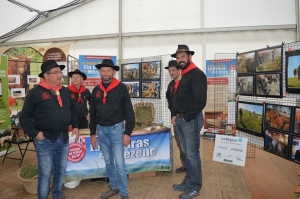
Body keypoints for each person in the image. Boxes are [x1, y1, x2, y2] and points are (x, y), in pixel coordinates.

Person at [20, 60, 79, 199]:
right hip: (45, 140)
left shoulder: (64, 91)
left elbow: (72, 110)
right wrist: (35, 134)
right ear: (46, 75)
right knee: (45, 173)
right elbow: (24, 118)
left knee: (60, 170)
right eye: (56, 73)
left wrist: (75, 125)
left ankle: (57, 194)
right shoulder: (35, 93)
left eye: (60, 72)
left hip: (63, 137)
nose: (60, 75)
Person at [89, 59, 135, 199]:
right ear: (100, 72)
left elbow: (129, 112)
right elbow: (93, 114)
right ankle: (113, 187)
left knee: (120, 163)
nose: (105, 73)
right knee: (108, 162)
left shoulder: (121, 88)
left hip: (116, 129)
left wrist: (127, 133)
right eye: (102, 70)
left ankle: (124, 193)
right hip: (101, 130)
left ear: (114, 72)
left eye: (108, 70)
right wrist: (92, 134)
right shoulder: (96, 90)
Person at [171, 45, 207, 199]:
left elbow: (200, 101)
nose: (180, 60)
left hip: (189, 119)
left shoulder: (197, 74)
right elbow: (179, 98)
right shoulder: (183, 75)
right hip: (180, 119)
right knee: (187, 153)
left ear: (189, 56)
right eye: (178, 58)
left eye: (183, 57)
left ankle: (195, 187)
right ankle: (188, 181)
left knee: (192, 154)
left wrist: (186, 116)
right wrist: (175, 114)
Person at [165, 60, 186, 173]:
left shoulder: (185, 83)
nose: (171, 72)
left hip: (186, 119)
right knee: (179, 143)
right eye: (169, 71)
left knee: (188, 145)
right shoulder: (170, 85)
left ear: (179, 70)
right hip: (175, 119)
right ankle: (185, 164)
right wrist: (173, 114)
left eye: (173, 70)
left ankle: (192, 166)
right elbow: (170, 101)